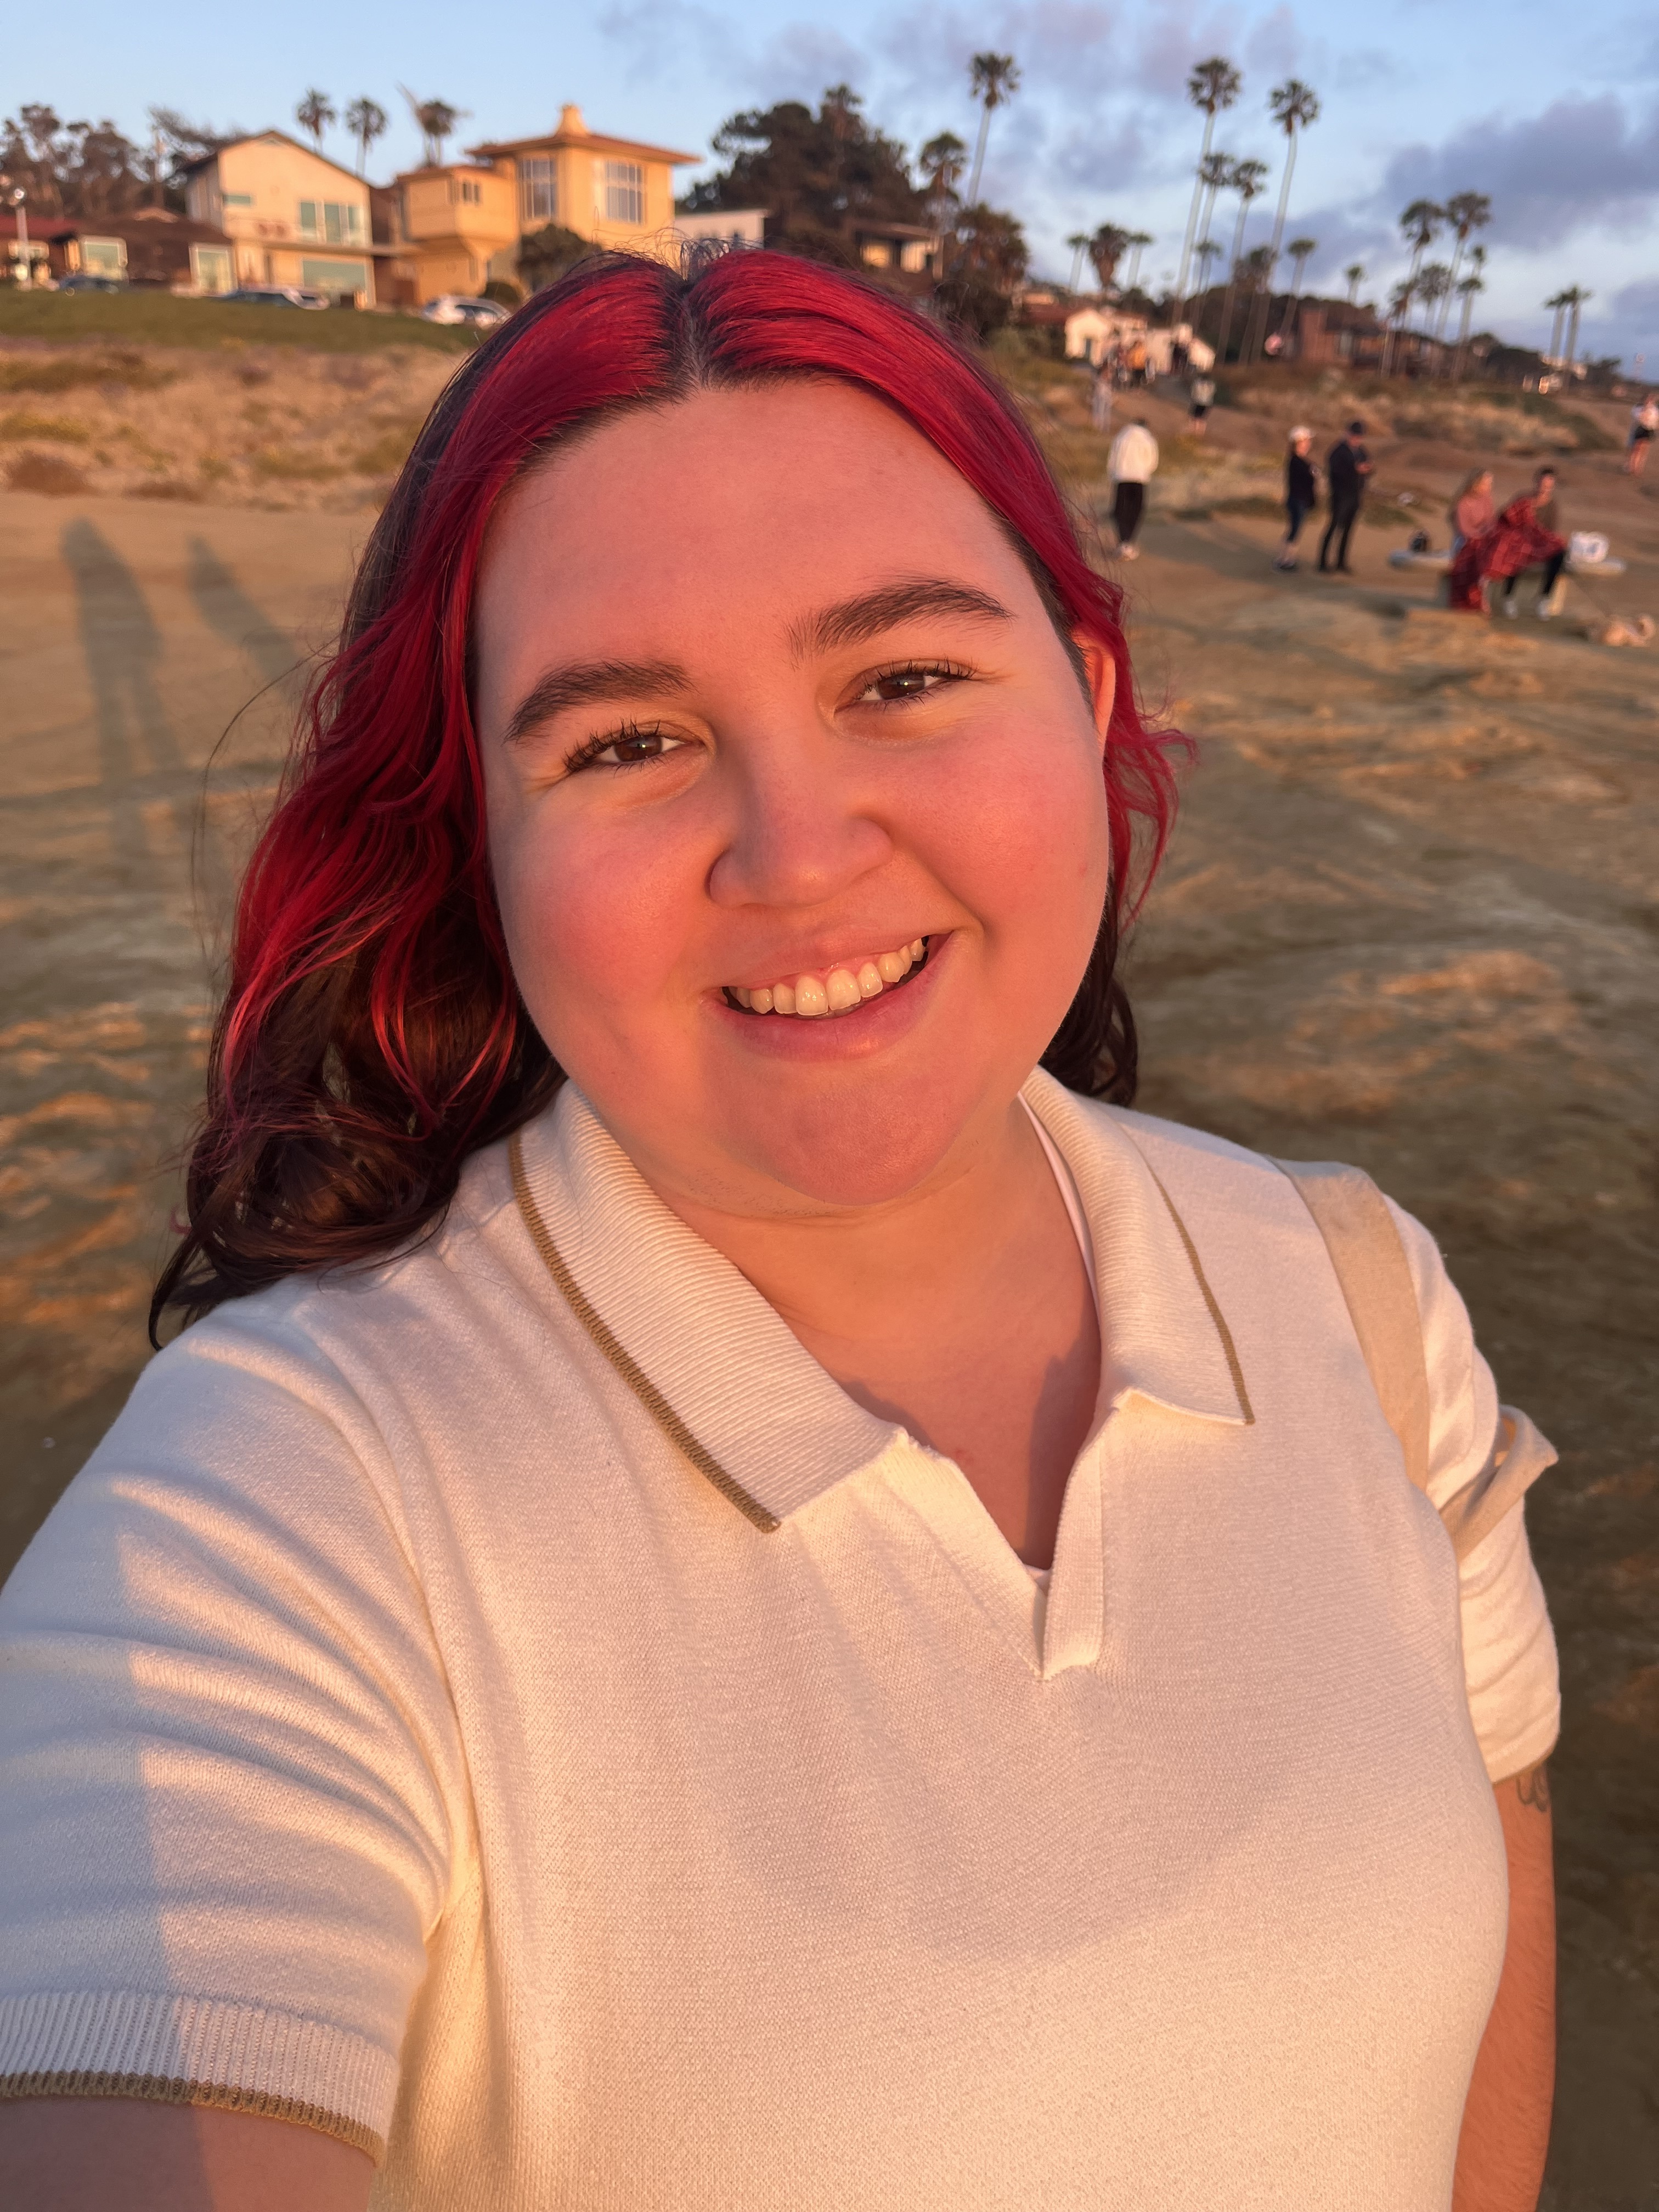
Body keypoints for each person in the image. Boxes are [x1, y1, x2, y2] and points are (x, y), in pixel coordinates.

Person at [0, 252, 1559, 2212]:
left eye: (899, 678)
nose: (797, 848)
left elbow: (1492, 1818)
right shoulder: (274, 1506)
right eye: (622, 741)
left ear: (1080, 702)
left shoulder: (1354, 1294)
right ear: (480, 838)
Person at [1447, 466, 1567, 618]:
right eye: (1486, 484)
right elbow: (1508, 518)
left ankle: (1543, 598)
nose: (1545, 489)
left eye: (1549, 486)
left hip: (1534, 540)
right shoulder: (1523, 500)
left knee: (1558, 549)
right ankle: (1506, 598)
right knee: (1514, 550)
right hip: (1474, 538)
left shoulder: (1552, 506)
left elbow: (1493, 521)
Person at [1318, 419, 1372, 574]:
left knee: (1348, 530)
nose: (1357, 439)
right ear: (1348, 434)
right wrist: (1355, 470)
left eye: (1360, 436)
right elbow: (1334, 470)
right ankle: (1322, 562)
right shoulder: (1338, 451)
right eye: (1355, 435)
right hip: (1340, 495)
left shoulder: (1361, 451)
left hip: (1355, 496)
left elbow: (1369, 466)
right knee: (1334, 527)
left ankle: (1341, 562)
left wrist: (1367, 469)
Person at [1108, 414, 1159, 559]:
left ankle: (1123, 542)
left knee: (1121, 511)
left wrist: (1113, 474)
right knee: (1135, 511)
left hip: (1121, 478)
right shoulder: (1148, 439)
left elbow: (1112, 459)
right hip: (1139, 479)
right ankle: (1128, 543)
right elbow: (1152, 462)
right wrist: (1144, 472)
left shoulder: (1121, 437)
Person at [1276, 426, 1317, 570]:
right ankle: (1286, 560)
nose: (1308, 444)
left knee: (1294, 530)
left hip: (1299, 500)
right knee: (1294, 530)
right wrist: (1312, 473)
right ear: (1299, 442)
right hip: (1297, 500)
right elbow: (1306, 480)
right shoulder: (1296, 461)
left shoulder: (1301, 461)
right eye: (1306, 441)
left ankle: (1286, 559)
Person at [1449, 468, 1495, 555]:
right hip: (1465, 540)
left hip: (1483, 537)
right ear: (1476, 484)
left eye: (1490, 484)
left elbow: (1490, 520)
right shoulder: (1463, 502)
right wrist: (1479, 537)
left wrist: (1486, 533)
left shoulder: (1487, 499)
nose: (1489, 487)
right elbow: (1464, 529)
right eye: (1486, 484)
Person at [1624, 392, 1657, 477]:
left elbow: (1655, 421)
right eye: (1648, 399)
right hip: (1639, 430)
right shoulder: (1638, 408)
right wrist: (1646, 411)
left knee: (1643, 450)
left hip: (1649, 431)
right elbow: (1640, 418)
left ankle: (1638, 468)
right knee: (1636, 449)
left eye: (1651, 400)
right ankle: (1632, 467)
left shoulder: (1655, 410)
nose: (1649, 401)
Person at [1187, 370, 1216, 436]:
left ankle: (1192, 431)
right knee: (1202, 419)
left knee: (1194, 417)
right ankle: (1200, 432)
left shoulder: (1197, 383)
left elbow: (1193, 393)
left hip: (1197, 401)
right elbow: (1213, 393)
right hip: (1207, 403)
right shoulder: (1212, 385)